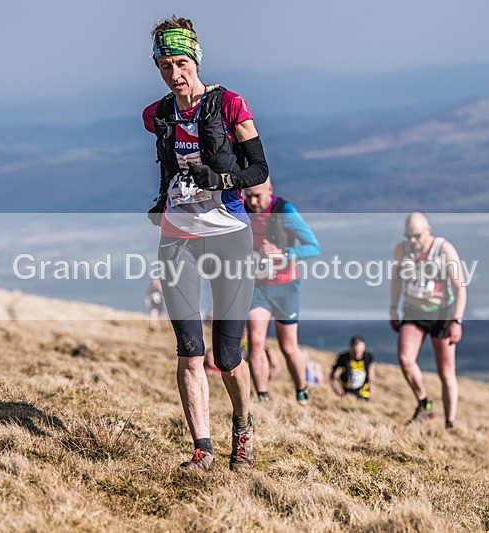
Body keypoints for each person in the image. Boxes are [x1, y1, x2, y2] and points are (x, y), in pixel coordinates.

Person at [142, 17, 269, 472]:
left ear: (195, 59)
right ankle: (202, 449)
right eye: (164, 65)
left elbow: (259, 170)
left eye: (180, 62)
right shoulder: (156, 114)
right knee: (190, 351)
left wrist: (220, 178)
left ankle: (242, 426)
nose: (174, 74)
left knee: (228, 356)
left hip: (229, 237)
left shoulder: (230, 105)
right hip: (177, 239)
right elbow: (166, 162)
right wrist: (163, 198)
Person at [244, 179, 320, 404]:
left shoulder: (284, 211)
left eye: (257, 196)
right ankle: (263, 397)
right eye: (248, 196)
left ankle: (301, 390)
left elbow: (313, 247)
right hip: (258, 286)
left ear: (270, 191)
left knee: (288, 347)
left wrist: (283, 253)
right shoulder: (242, 208)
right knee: (256, 341)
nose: (253, 201)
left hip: (286, 286)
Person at [389, 212, 467, 429]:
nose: (412, 241)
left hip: (442, 314)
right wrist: (393, 308)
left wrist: (457, 321)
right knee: (405, 358)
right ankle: (424, 404)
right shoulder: (401, 249)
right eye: (408, 236)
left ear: (428, 231)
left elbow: (460, 287)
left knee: (445, 371)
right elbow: (396, 278)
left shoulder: (443, 250)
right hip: (413, 311)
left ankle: (450, 423)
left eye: (416, 236)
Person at [330, 336, 374, 400]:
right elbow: (333, 375)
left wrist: (371, 383)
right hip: (346, 392)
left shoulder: (368, 357)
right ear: (351, 348)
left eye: (360, 351)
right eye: (355, 351)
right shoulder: (343, 358)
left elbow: (371, 368)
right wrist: (336, 387)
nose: (357, 354)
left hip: (363, 392)